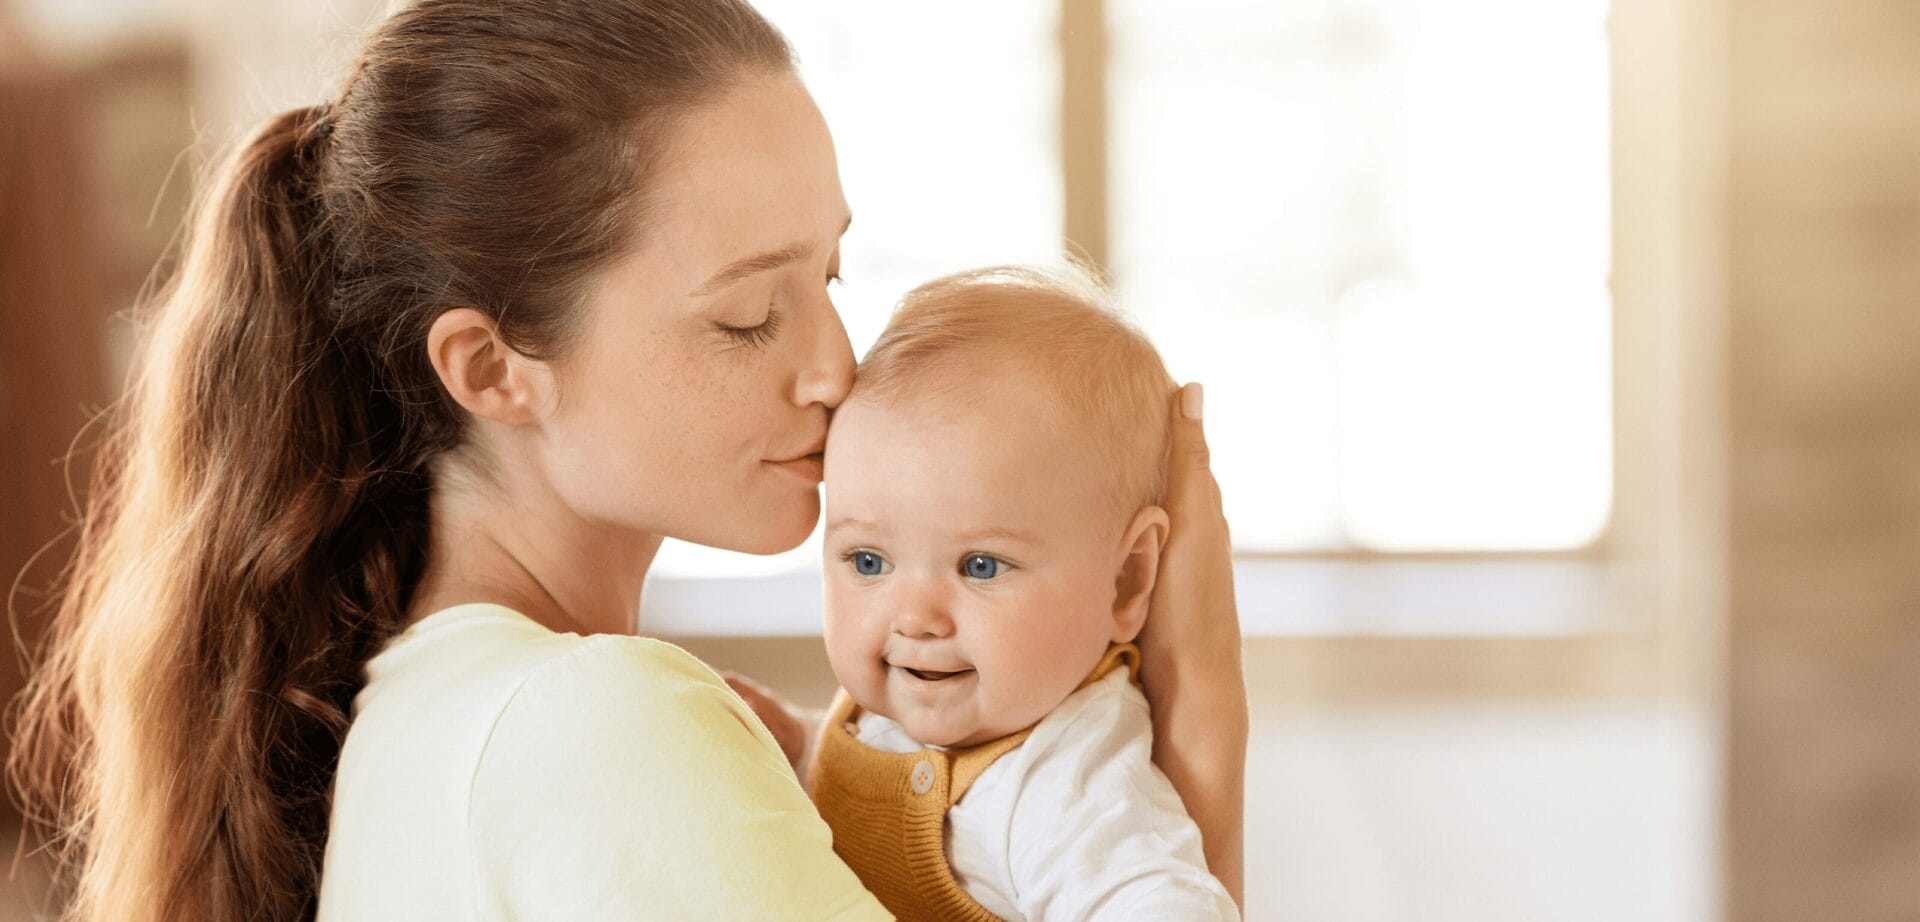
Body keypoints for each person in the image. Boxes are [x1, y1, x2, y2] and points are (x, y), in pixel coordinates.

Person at [7, 2, 1247, 920]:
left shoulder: (466, 706)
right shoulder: (594, 725)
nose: (834, 365)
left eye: (826, 278)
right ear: (494, 370)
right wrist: (1199, 750)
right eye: (749, 315)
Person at [804, 266, 1240, 920]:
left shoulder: (1070, 784)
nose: (915, 617)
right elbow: (876, 770)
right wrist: (798, 742)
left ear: (1127, 579)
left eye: (980, 567)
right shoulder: (914, 691)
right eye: (868, 561)